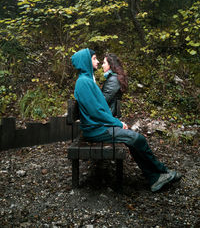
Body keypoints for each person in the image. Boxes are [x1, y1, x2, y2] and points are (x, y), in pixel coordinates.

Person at [71, 48, 182, 192]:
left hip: (98, 126)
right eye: (94, 58)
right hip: (96, 130)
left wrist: (114, 122)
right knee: (137, 138)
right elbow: (96, 111)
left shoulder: (86, 80)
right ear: (85, 61)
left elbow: (100, 108)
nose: (97, 61)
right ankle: (159, 174)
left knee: (134, 140)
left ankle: (157, 176)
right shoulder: (84, 83)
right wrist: (116, 122)